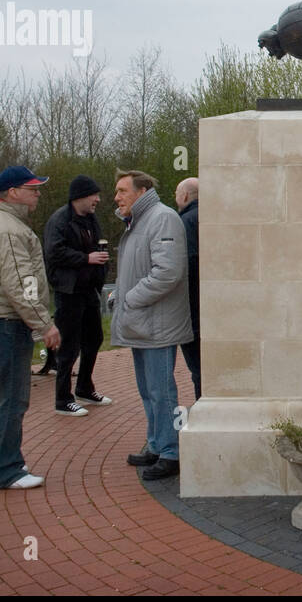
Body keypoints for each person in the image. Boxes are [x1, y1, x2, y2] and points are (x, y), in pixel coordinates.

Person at [0, 165, 61, 489]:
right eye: (32, 189)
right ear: (13, 193)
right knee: (11, 399)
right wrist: (45, 325)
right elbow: (20, 286)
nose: (38, 194)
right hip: (5, 324)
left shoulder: (2, 222)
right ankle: (7, 471)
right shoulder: (8, 229)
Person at [111, 170, 192, 481]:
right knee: (148, 389)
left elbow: (168, 272)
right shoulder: (138, 221)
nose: (116, 198)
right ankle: (157, 445)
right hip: (141, 322)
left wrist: (129, 298)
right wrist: (121, 297)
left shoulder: (162, 218)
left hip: (157, 323)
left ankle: (172, 453)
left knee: (163, 391)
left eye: (122, 191)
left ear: (142, 190)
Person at [42, 174, 112, 416]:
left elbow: (97, 246)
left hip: (88, 290)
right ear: (80, 196)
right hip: (68, 291)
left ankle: (84, 387)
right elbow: (54, 252)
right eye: (94, 195)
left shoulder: (91, 219)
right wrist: (86, 259)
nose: (98, 199)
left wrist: (100, 264)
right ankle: (62, 399)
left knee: (94, 339)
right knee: (69, 346)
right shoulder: (59, 220)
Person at [174, 177, 201, 400]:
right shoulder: (210, 219)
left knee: (198, 368)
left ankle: (202, 406)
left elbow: (187, 263)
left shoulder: (184, 223)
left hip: (191, 308)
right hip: (208, 307)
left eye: (176, 193)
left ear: (184, 196)